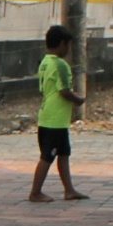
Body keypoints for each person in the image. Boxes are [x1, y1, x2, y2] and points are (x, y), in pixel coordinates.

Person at [28, 25, 87, 202]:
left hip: (51, 118)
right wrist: (78, 100)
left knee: (63, 154)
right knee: (47, 157)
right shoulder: (60, 65)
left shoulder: (45, 62)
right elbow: (64, 91)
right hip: (54, 120)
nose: (68, 49)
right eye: (68, 45)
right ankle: (35, 192)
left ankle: (69, 190)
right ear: (62, 44)